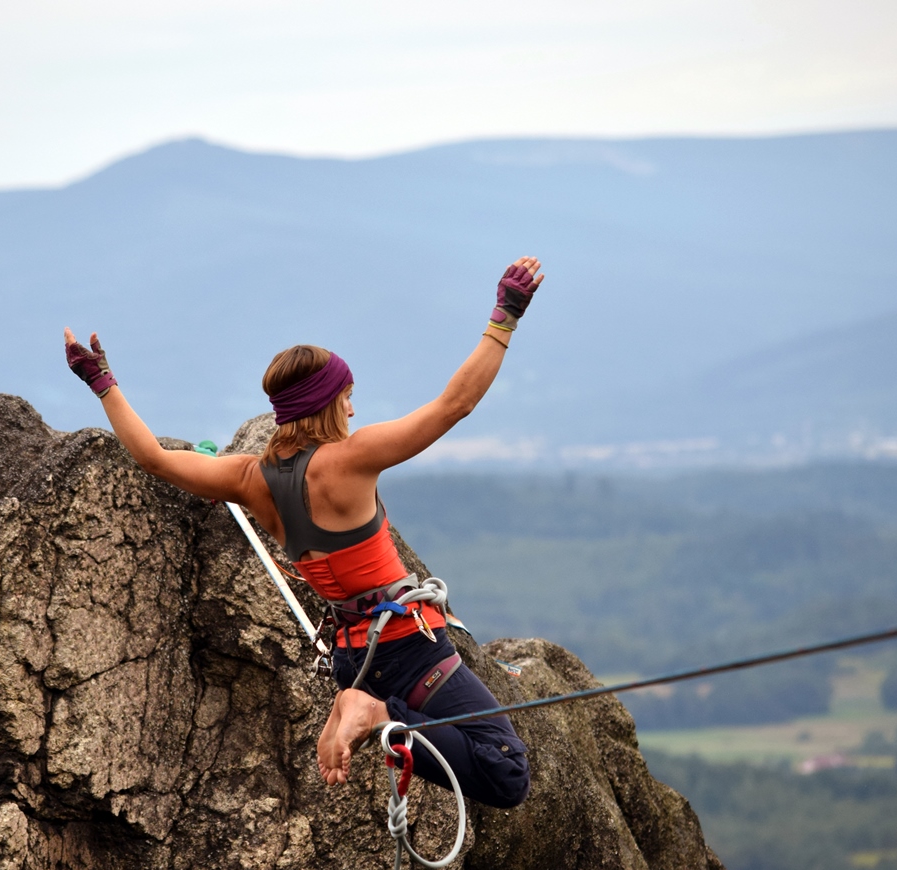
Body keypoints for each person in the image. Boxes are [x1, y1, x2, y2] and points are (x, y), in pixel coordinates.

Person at [62, 257, 543, 809]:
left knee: (465, 750)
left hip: (349, 654)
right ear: (326, 402)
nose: (353, 407)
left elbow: (153, 458)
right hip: (406, 648)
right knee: (506, 772)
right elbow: (456, 404)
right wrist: (505, 317)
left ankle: (365, 704)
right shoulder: (352, 459)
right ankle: (375, 712)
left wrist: (102, 382)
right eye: (347, 396)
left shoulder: (250, 479)